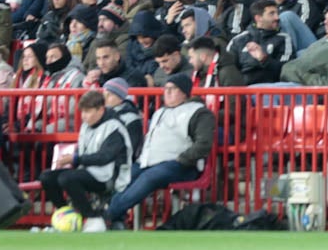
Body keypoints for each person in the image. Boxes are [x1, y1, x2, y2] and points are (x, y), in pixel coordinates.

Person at [102, 72, 214, 228]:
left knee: (150, 177)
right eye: (165, 88)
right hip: (148, 162)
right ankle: (116, 220)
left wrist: (182, 159)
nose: (166, 92)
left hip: (181, 165)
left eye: (172, 89)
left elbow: (203, 144)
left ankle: (106, 216)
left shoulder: (200, 113)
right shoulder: (159, 112)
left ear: (184, 92)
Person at [37, 89, 133, 232]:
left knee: (67, 178)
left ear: (100, 110)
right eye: (82, 112)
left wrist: (76, 159)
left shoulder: (114, 127)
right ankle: (67, 216)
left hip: (110, 176)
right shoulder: (86, 126)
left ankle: (92, 218)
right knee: (46, 177)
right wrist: (72, 159)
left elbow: (104, 157)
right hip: (88, 171)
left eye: (87, 112)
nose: (83, 116)